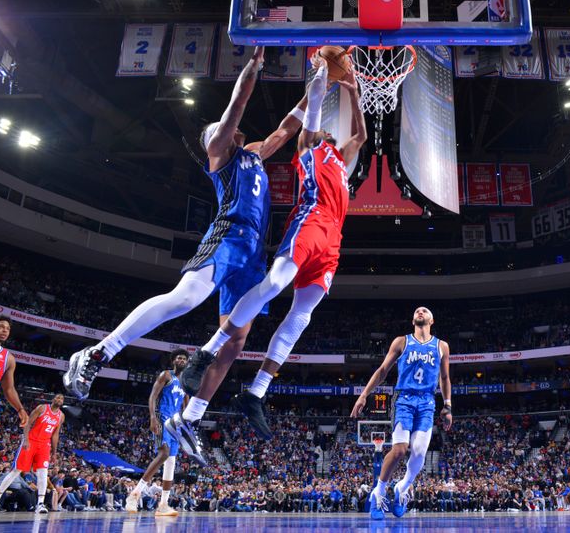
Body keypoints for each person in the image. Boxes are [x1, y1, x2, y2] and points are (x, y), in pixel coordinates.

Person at [63, 46, 307, 404]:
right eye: (216, 131)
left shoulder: (252, 154)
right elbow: (237, 105)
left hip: (254, 251)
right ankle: (99, 352)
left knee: (237, 337)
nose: (224, 131)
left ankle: (192, 412)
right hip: (229, 235)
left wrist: (317, 86)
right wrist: (251, 69)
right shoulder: (220, 155)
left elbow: (285, 130)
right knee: (186, 298)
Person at [167, 54, 367, 462]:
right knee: (274, 286)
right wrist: (322, 76)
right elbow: (306, 113)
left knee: (303, 313)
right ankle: (205, 352)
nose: (328, 129)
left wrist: (356, 93)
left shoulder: (338, 160)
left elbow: (361, 137)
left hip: (331, 239)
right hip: (304, 222)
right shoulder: (309, 146)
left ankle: (255, 391)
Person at [351, 307, 452, 520]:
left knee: (419, 452)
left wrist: (448, 405)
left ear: (432, 320)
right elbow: (382, 371)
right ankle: (378, 493)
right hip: (404, 399)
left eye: (425, 310)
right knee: (399, 450)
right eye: (417, 311)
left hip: (427, 402)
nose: (420, 311)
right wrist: (364, 395)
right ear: (413, 319)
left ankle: (402, 487)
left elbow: (444, 378)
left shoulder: (442, 346)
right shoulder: (401, 342)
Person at [126, 349, 188, 516]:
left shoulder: (186, 383)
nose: (182, 360)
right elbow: (153, 396)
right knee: (163, 454)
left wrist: (185, 423)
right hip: (162, 417)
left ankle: (163, 505)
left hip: (175, 423)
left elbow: (186, 406)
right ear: (174, 361)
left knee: (171, 463)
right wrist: (152, 417)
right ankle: (134, 494)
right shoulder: (166, 375)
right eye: (179, 358)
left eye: (184, 359)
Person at [0, 393, 64, 514]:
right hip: (32, 441)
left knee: (43, 473)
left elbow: (55, 434)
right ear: (53, 399)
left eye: (61, 399)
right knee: (16, 471)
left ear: (62, 402)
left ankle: (40, 504)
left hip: (45, 445)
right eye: (57, 397)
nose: (59, 399)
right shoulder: (42, 408)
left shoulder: (61, 416)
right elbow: (28, 422)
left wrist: (54, 452)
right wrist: (26, 439)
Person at [0, 314, 28, 456]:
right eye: (0, 327)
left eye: (8, 329)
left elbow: (9, 389)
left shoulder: (8, 359)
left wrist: (20, 409)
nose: (5, 330)